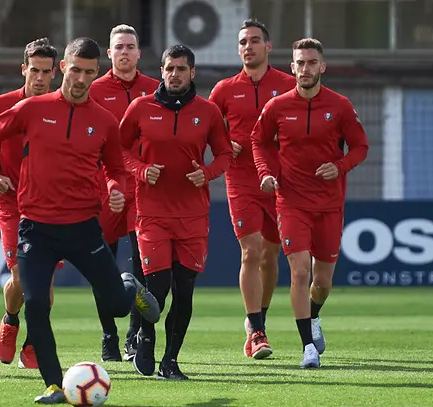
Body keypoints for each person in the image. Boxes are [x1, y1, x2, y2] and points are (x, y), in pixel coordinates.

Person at [0, 37, 161, 403]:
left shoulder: (105, 121)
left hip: (83, 228)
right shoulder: (32, 109)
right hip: (35, 227)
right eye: (75, 70)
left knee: (114, 305)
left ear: (97, 73)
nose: (81, 78)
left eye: (89, 72)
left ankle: (128, 287)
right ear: (63, 68)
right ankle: (53, 384)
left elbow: (116, 167)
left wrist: (116, 187)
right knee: (36, 305)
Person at [251, 38, 368, 368]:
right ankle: (308, 348)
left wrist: (340, 166)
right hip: (290, 202)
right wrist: (265, 172)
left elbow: (360, 147)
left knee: (322, 282)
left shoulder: (340, 106)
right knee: (300, 273)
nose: (305, 68)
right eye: (300, 63)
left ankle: (314, 316)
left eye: (311, 62)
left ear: (322, 67)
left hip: (329, 204)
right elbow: (258, 141)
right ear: (292, 67)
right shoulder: (277, 107)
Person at [121, 44, 234, 379]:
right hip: (152, 213)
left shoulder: (208, 111)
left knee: (184, 291)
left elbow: (225, 155)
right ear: (161, 70)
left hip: (193, 216)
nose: (173, 74)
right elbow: (119, 149)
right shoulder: (141, 108)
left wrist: (208, 173)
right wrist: (140, 169)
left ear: (192, 73)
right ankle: (145, 336)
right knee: (156, 289)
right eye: (169, 68)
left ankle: (170, 362)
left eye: (180, 69)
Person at [209, 19, 295, 360]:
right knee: (251, 251)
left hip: (280, 181)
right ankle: (257, 330)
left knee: (272, 256)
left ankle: (259, 317)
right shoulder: (224, 89)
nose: (249, 46)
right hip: (241, 181)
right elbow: (207, 130)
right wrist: (226, 142)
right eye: (244, 41)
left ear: (268, 47)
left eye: (255, 41)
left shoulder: (289, 86)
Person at [0, 38, 60, 370]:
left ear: (55, 73)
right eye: (34, 70)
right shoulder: (1, 105)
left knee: (45, 280)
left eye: (45, 72)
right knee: (22, 275)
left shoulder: (63, 107)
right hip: (12, 203)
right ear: (23, 69)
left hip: (52, 205)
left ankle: (33, 342)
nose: (39, 78)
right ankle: (11, 319)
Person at [88, 24, 160, 363]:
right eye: (119, 46)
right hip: (102, 189)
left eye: (131, 46)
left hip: (143, 190)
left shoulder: (154, 89)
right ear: (110, 52)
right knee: (102, 265)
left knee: (143, 266)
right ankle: (108, 335)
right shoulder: (94, 89)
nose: (125, 52)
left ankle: (134, 334)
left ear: (139, 53)